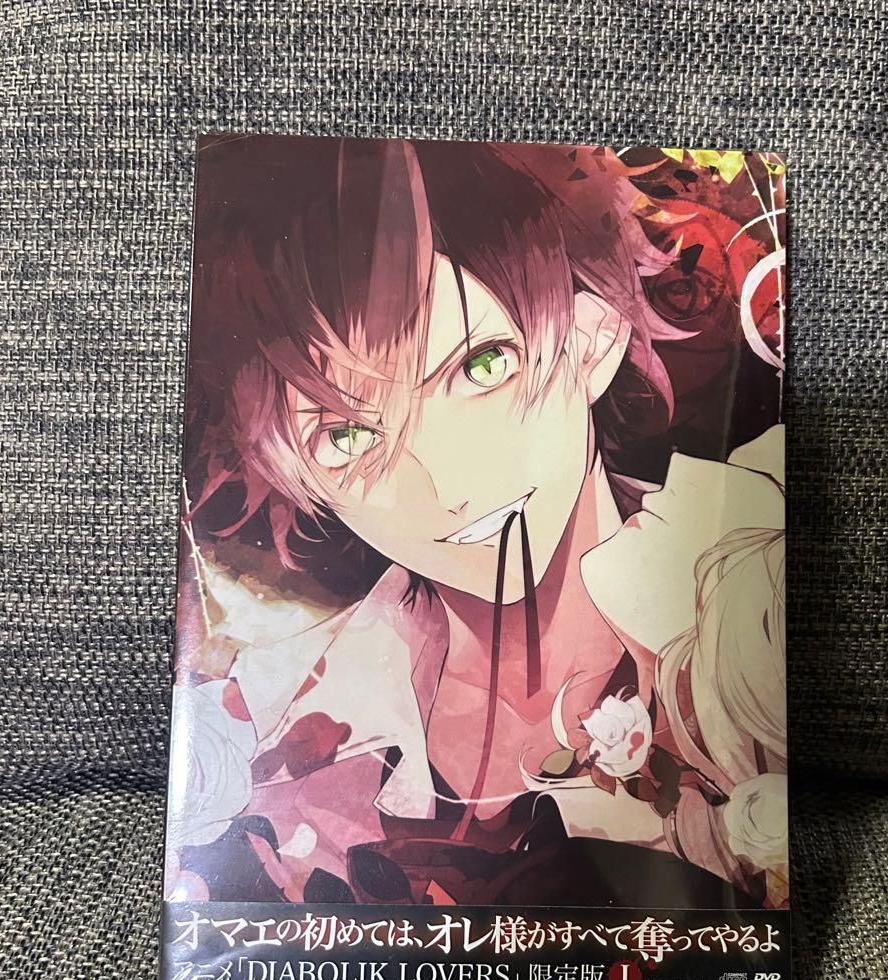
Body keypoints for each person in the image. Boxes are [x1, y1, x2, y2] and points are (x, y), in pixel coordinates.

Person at [165, 135, 786, 908]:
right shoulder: (272, 728)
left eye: (483, 365)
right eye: (348, 436)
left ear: (592, 340)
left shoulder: (753, 584)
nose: (448, 483)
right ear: (297, 478)